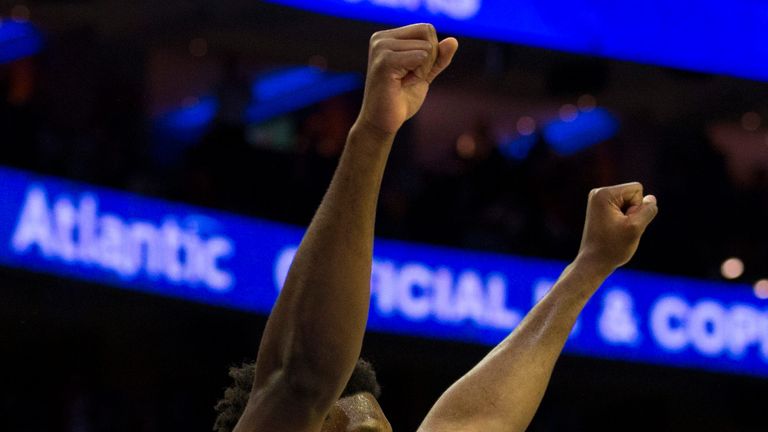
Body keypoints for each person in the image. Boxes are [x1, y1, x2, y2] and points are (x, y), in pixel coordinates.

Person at [214, 23, 658, 432]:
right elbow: (303, 377)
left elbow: (481, 418)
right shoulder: (285, 406)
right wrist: (372, 132)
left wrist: (590, 266)